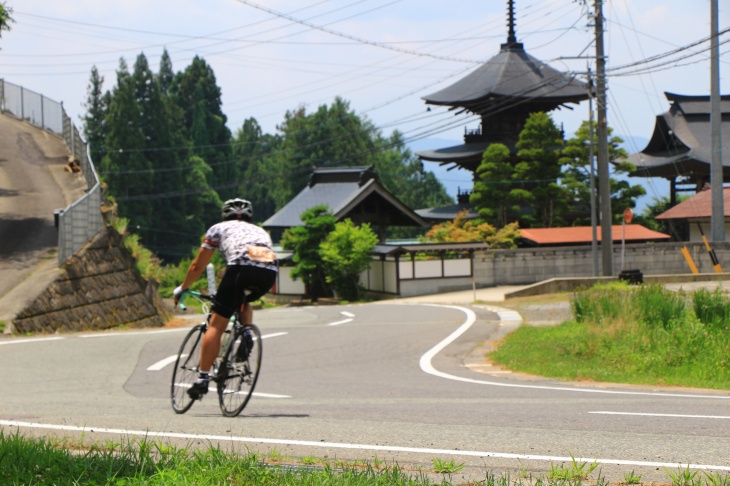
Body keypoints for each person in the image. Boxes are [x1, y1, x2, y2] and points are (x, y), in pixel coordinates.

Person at [173, 198, 278, 400]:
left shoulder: (218, 228)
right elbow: (255, 258)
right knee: (244, 299)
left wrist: (182, 288)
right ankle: (246, 333)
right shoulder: (260, 232)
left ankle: (202, 379)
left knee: (216, 324)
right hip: (269, 271)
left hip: (239, 268)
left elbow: (197, 265)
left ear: (225, 215)